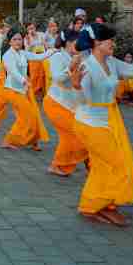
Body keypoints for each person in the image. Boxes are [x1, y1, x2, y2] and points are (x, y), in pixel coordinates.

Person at [70, 23, 133, 227]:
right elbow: (80, 102)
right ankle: (104, 203)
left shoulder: (111, 62)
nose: (114, 43)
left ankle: (93, 205)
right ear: (97, 43)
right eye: (110, 40)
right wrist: (76, 86)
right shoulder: (86, 65)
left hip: (110, 118)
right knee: (124, 166)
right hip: (90, 124)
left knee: (103, 166)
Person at [42, 30, 88, 177]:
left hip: (71, 104)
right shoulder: (57, 56)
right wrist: (70, 68)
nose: (80, 46)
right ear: (68, 42)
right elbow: (57, 78)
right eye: (77, 42)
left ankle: (58, 165)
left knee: (70, 136)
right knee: (76, 134)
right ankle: (64, 164)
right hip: (55, 103)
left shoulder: (79, 57)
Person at [0, 27, 53, 151]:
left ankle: (31, 140)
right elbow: (12, 72)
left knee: (32, 115)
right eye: (15, 39)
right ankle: (8, 140)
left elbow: (38, 57)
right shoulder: (7, 55)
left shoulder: (22, 53)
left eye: (20, 39)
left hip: (23, 90)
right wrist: (24, 81)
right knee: (27, 116)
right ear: (10, 42)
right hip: (12, 90)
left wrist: (51, 52)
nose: (18, 41)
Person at [24, 22, 48, 97]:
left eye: (32, 28)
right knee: (34, 77)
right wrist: (30, 42)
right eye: (29, 29)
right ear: (27, 30)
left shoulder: (41, 34)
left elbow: (45, 45)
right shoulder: (27, 38)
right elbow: (27, 50)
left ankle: (44, 94)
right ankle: (32, 93)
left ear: (35, 28)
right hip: (33, 59)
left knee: (43, 76)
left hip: (43, 57)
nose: (32, 30)